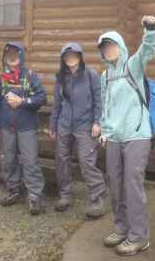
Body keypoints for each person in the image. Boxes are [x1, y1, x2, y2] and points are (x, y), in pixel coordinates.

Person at [98, 15, 155, 257]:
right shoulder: (105, 76)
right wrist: (104, 131)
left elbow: (147, 50)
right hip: (114, 137)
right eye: (104, 47)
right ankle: (122, 228)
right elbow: (105, 107)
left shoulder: (132, 66)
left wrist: (151, 30)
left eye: (112, 45)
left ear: (120, 46)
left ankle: (139, 236)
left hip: (137, 135)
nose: (108, 50)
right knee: (115, 184)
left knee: (132, 186)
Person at [0, 42, 47, 215]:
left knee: (30, 162)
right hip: (7, 129)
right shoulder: (1, 79)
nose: (12, 58)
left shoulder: (30, 76)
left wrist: (23, 102)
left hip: (26, 128)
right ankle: (14, 191)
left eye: (16, 54)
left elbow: (42, 98)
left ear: (20, 56)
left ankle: (35, 196)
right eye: (9, 55)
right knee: (9, 161)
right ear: (4, 58)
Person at [49, 43, 106, 218]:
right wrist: (53, 125)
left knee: (87, 162)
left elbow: (99, 100)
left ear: (80, 56)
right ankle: (65, 195)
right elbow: (57, 104)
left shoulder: (91, 75)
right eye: (67, 56)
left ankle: (97, 200)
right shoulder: (61, 78)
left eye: (73, 55)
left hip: (85, 126)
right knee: (62, 160)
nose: (70, 58)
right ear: (63, 59)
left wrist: (98, 122)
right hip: (64, 125)